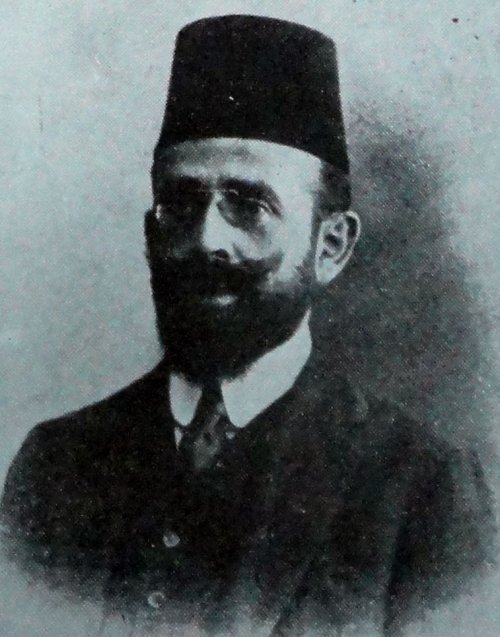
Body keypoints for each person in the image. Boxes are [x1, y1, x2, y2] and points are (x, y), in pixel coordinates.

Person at [1, 15, 495, 637]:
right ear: (151, 233)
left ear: (331, 246)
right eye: (181, 204)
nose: (207, 239)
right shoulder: (56, 464)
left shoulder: (423, 490)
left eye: (249, 205)